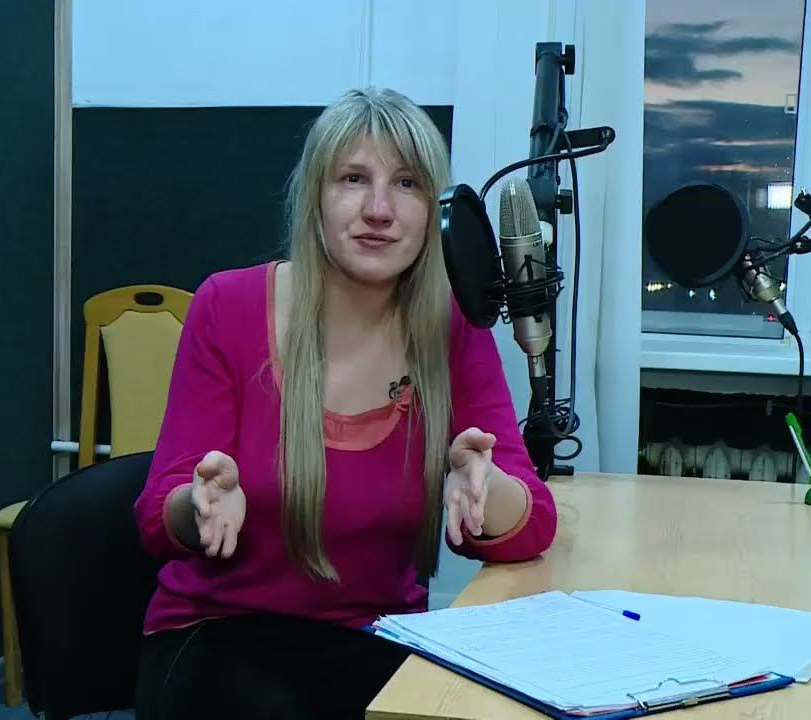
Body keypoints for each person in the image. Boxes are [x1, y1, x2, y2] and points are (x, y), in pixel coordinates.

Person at [132, 87, 558, 719]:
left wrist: (485, 488)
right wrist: (199, 509)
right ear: (316, 199)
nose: (379, 210)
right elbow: (155, 520)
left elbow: (535, 525)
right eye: (353, 179)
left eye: (406, 184)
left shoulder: (452, 327)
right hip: (217, 633)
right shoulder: (227, 305)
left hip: (374, 640)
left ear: (434, 209)